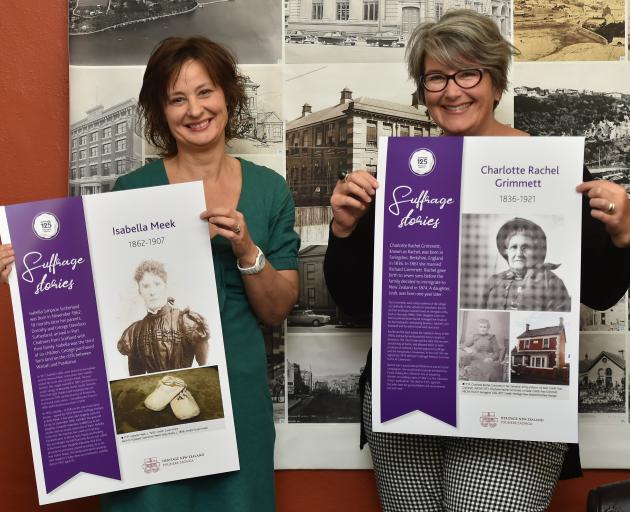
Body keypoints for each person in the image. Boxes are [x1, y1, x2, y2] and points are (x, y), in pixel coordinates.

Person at [324, 9, 630, 512]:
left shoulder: (554, 169)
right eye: (436, 77)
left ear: (496, 82)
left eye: (469, 73)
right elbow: (355, 301)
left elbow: (597, 292)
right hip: (409, 394)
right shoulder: (400, 178)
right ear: (422, 91)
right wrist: (344, 229)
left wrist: (621, 236)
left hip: (513, 404)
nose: (452, 90)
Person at [0, 37, 299, 511]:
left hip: (237, 397)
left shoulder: (268, 190)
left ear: (228, 96)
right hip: (143, 388)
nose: (194, 109)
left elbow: (276, 308)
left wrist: (246, 248)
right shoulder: (129, 190)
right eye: (177, 99)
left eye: (205, 92)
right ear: (162, 112)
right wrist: (31, 271)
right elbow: (88, 294)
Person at [117, 260, 210, 376]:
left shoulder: (186, 322)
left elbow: (207, 369)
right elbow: (135, 378)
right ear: (140, 291)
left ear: (165, 286)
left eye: (157, 284)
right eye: (146, 286)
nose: (152, 292)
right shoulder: (134, 332)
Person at [481, 217, 571, 312]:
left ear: (536, 252)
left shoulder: (552, 282)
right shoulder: (493, 281)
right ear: (506, 251)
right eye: (514, 247)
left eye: (525, 247)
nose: (518, 254)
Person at [459, 318, 505, 382]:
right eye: (480, 327)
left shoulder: (492, 337)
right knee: (475, 371)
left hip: (487, 359)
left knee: (487, 371)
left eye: (484, 327)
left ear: (488, 328)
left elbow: (497, 353)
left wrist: (490, 358)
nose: (482, 329)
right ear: (478, 328)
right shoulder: (475, 337)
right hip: (476, 359)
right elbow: (461, 345)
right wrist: (467, 349)